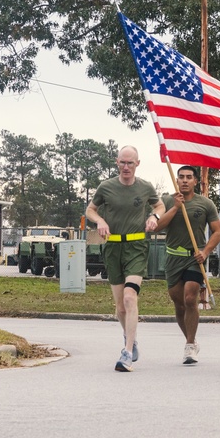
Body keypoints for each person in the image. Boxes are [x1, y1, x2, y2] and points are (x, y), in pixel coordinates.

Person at [85, 145, 164, 372]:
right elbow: (90, 210)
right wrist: (99, 220)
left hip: (137, 246)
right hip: (113, 247)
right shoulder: (106, 187)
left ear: (138, 163)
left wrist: (154, 216)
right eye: (122, 162)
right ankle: (131, 338)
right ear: (117, 162)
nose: (126, 167)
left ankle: (127, 352)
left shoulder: (145, 187)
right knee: (120, 307)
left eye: (130, 163)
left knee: (130, 298)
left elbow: (158, 204)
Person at [156, 165, 220, 365]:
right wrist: (176, 207)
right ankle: (190, 339)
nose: (184, 180)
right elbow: (157, 226)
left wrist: (206, 251)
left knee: (190, 297)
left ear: (195, 181)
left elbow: (217, 232)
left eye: (188, 177)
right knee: (179, 304)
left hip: (195, 258)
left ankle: (190, 346)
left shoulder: (206, 204)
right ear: (177, 180)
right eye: (181, 177)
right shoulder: (166, 201)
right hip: (172, 258)